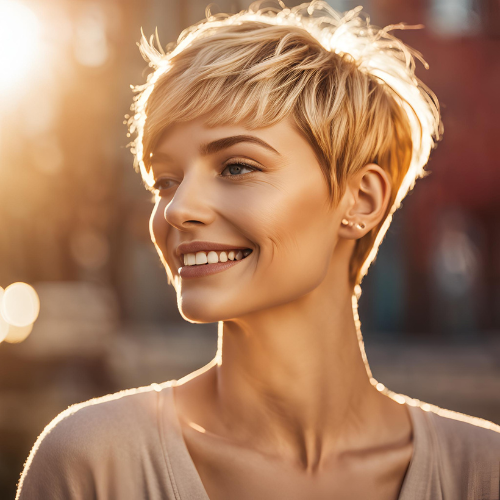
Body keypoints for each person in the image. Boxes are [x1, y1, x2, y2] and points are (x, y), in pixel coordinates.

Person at [16, 1, 500, 499]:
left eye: (237, 167)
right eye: (165, 180)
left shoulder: (484, 473)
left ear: (362, 198)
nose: (178, 209)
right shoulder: (92, 463)